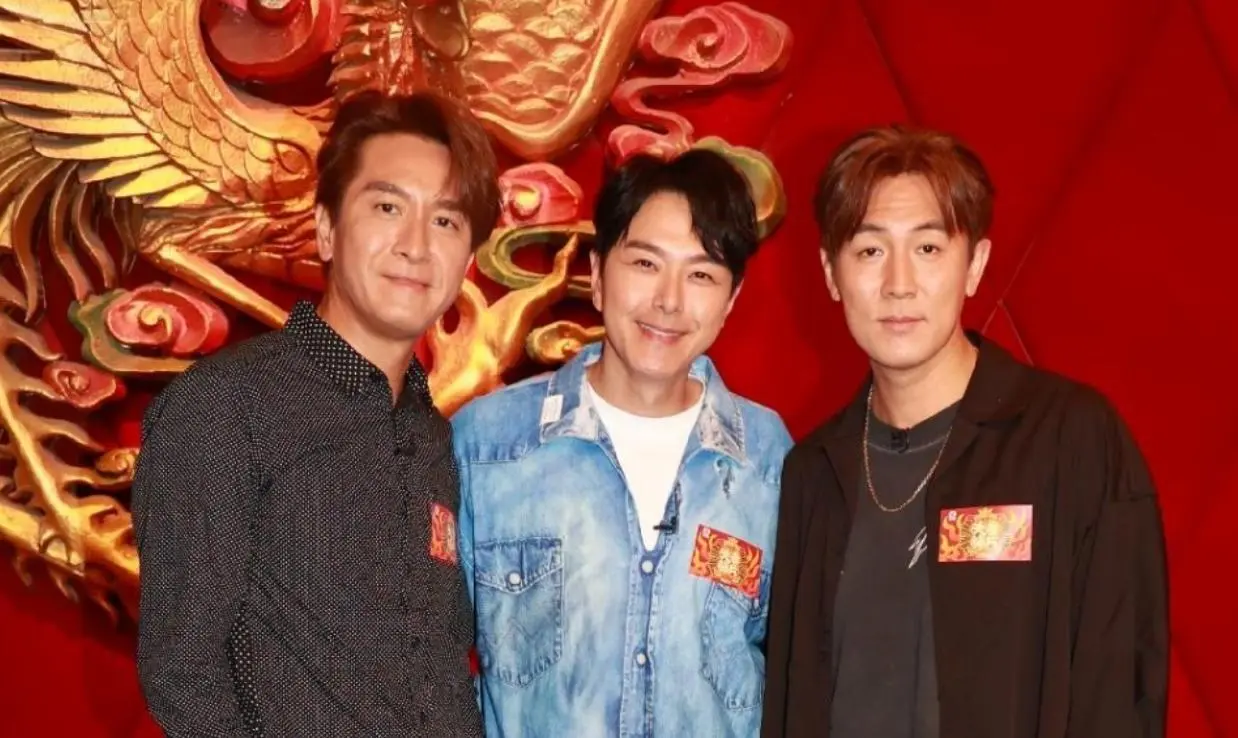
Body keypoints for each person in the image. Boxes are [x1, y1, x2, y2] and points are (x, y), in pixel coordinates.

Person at [761, 125, 1169, 738]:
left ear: (974, 264)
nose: (899, 283)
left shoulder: (1071, 440)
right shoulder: (814, 472)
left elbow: (1119, 691)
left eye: (928, 248)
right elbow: (792, 703)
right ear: (830, 273)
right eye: (869, 251)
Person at [131, 90, 501, 737]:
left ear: (467, 260)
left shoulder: (432, 436)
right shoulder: (227, 406)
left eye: (446, 221)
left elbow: (439, 669)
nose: (416, 245)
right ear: (327, 229)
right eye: (388, 207)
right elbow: (183, 674)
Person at [451, 149, 793, 736]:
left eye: (702, 275)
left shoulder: (768, 460)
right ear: (598, 274)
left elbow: (796, 670)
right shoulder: (488, 445)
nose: (669, 300)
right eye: (645, 263)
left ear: (731, 301)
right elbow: (420, 659)